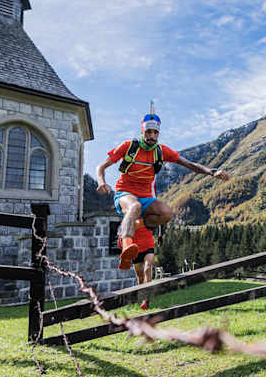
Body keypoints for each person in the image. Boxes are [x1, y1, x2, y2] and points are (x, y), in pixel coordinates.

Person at [96, 112, 229, 273]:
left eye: (155, 132)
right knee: (134, 207)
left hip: (146, 197)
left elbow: (190, 164)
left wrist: (211, 172)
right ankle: (125, 244)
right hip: (125, 193)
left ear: (158, 133)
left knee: (167, 214)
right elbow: (101, 167)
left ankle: (133, 225)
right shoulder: (128, 147)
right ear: (142, 131)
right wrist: (101, 182)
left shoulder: (161, 151)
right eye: (148, 132)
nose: (151, 136)